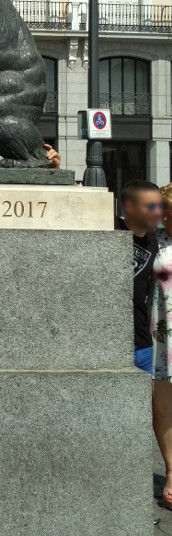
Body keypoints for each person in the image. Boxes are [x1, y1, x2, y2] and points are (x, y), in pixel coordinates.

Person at [116, 180, 163, 374]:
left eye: (160, 206)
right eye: (151, 206)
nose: (158, 212)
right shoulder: (109, 227)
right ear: (129, 207)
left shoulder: (155, 242)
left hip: (142, 345)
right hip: (112, 342)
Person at [149, 183, 172, 509]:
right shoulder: (152, 241)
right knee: (164, 409)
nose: (164, 214)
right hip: (161, 338)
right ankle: (171, 472)